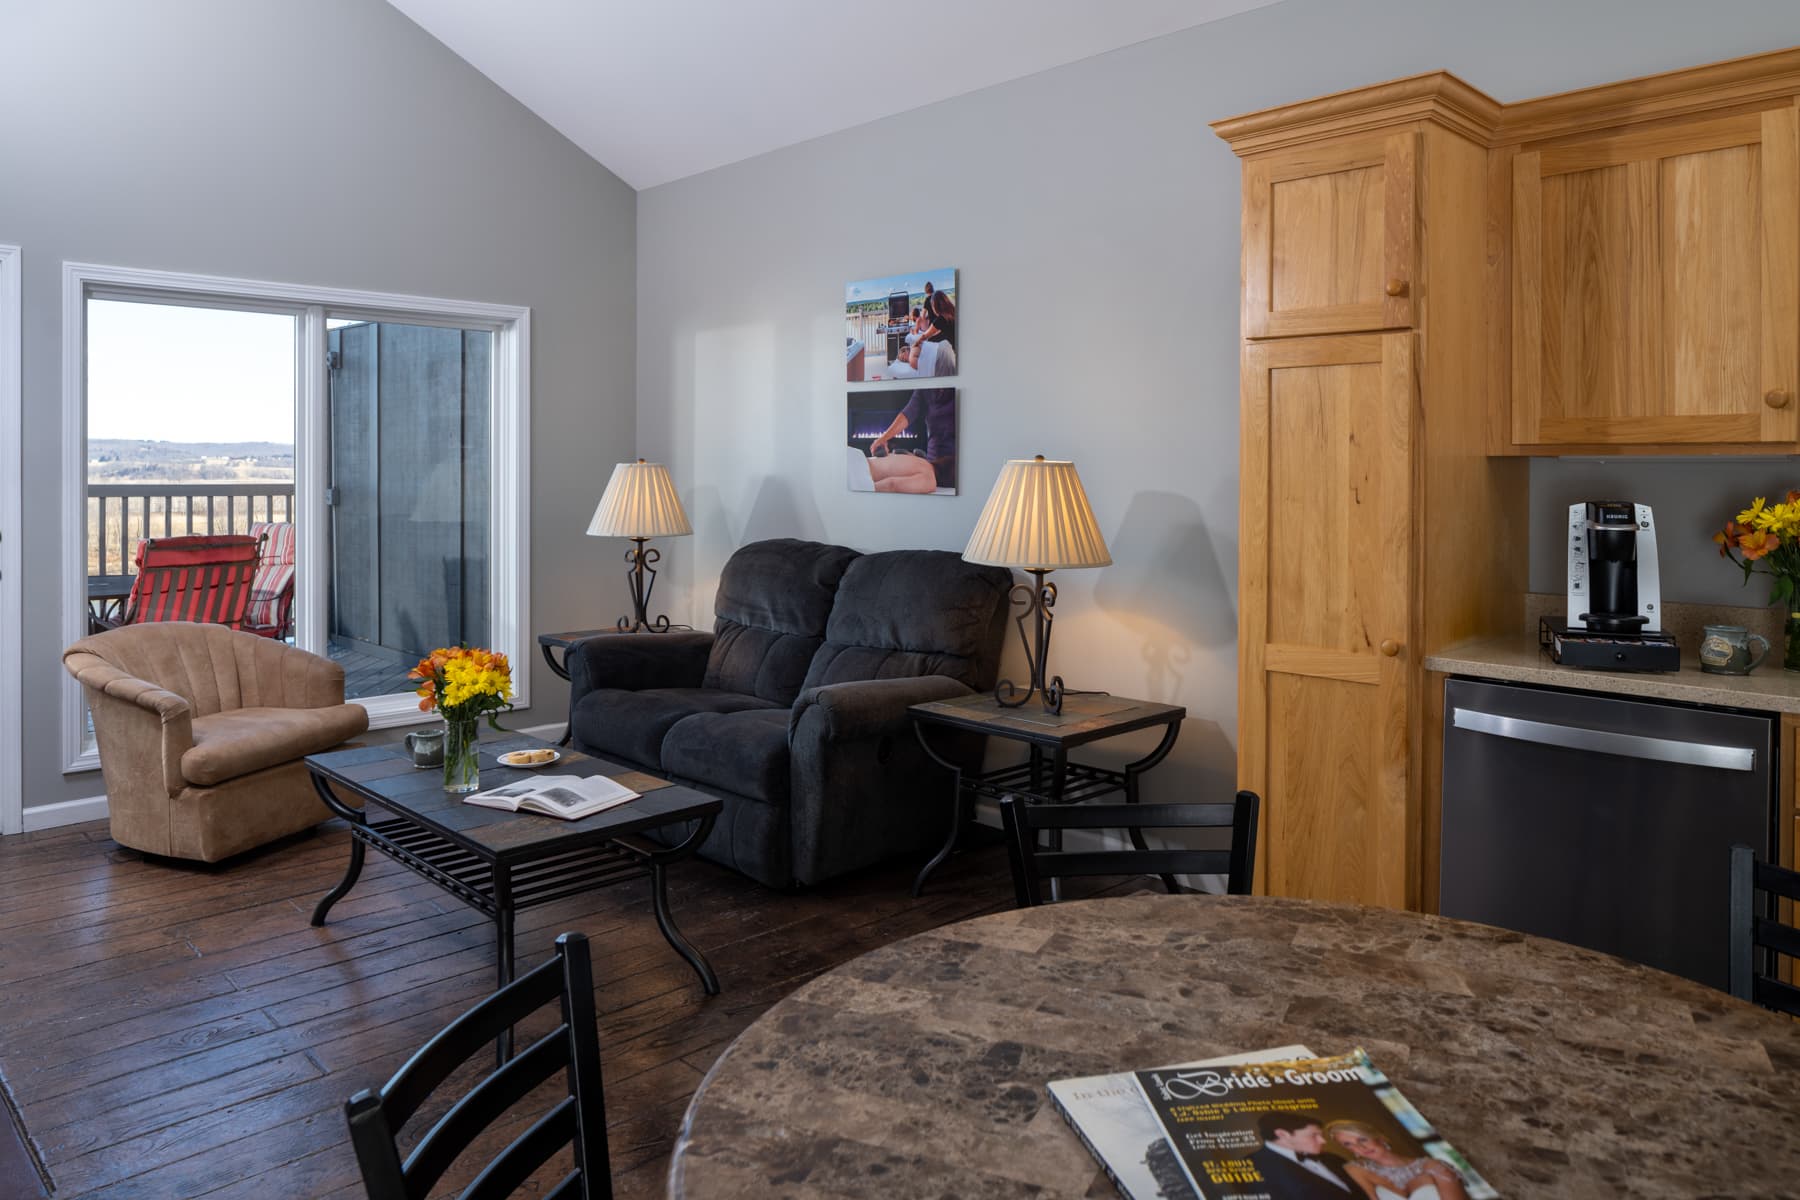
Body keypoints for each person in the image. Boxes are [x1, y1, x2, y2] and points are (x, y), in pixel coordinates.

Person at [1324, 1120, 1469, 1200]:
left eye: (1362, 1139)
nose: (1360, 1147)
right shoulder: (1356, 1170)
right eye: (1348, 1144)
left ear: (1379, 1138)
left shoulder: (1435, 1167)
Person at [864, 386, 955, 493]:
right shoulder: (929, 480)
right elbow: (891, 485)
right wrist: (863, 490)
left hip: (860, 459)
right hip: (859, 474)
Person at [1248, 1113, 1357, 1200]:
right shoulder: (1251, 1166)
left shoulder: (1333, 1158)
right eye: (1314, 1135)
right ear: (1282, 1134)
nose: (1323, 1141)